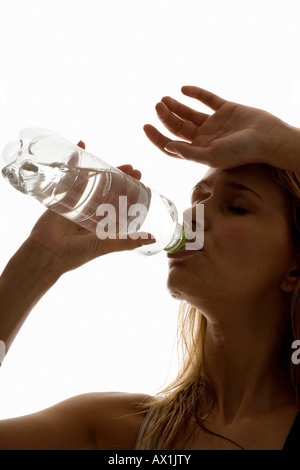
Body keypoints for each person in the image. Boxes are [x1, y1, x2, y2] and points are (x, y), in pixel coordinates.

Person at [1, 86, 300, 450]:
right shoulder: (120, 432)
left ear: (295, 269)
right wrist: (39, 261)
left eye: (236, 207)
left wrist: (284, 144)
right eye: (199, 198)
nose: (193, 216)